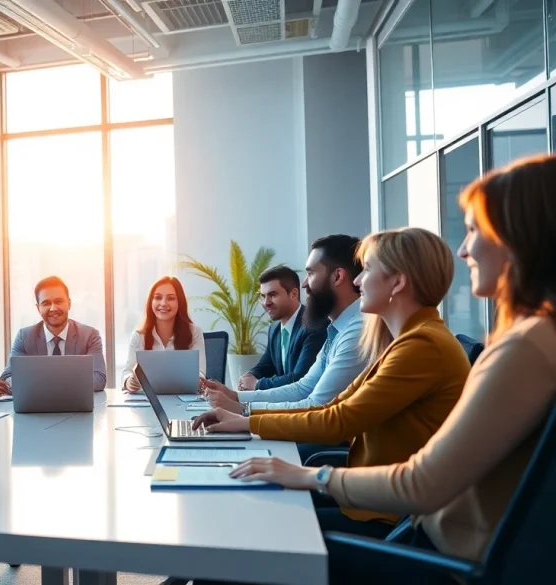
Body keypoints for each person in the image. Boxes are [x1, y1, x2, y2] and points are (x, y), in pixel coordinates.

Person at [225, 155, 556, 584]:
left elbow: (421, 483)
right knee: (257, 521)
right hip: (431, 536)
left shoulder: (521, 347)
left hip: (438, 552)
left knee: (249, 541)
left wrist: (309, 474)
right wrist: (250, 425)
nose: (463, 248)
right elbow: (337, 406)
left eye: (475, 230)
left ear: (515, 237)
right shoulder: (520, 340)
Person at [193, 228, 470, 538]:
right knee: (248, 505)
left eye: (367, 269)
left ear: (398, 282)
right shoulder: (404, 341)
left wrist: (248, 422)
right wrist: (244, 417)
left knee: (250, 523)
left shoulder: (422, 346)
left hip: (389, 520)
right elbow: (335, 406)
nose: (357, 280)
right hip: (369, 502)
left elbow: (337, 420)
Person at [203, 235, 366, 415]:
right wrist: (236, 396)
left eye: (311, 273)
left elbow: (317, 405)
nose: (304, 283)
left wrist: (243, 409)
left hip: (331, 440)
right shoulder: (337, 329)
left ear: (337, 276)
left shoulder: (357, 331)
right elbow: (303, 388)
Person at [0, 276, 106, 391]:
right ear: (38, 308)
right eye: (46, 303)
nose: (53, 308)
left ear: (69, 303)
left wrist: (41, 384)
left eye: (58, 301)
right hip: (36, 406)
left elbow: (99, 379)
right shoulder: (24, 337)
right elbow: (7, 377)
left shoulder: (90, 336)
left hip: (76, 405)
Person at [239, 265, 327, 391]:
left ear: (294, 294)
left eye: (272, 295)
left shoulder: (314, 326)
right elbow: (266, 365)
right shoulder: (274, 329)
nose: (266, 303)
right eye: (263, 296)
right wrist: (249, 376)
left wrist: (257, 384)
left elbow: (300, 378)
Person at [121, 276, 205, 392]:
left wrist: (197, 381)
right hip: (147, 403)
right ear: (151, 302)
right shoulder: (139, 335)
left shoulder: (194, 333)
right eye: (158, 298)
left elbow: (200, 373)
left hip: (183, 401)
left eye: (170, 298)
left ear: (179, 302)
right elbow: (127, 372)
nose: (163, 303)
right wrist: (128, 381)